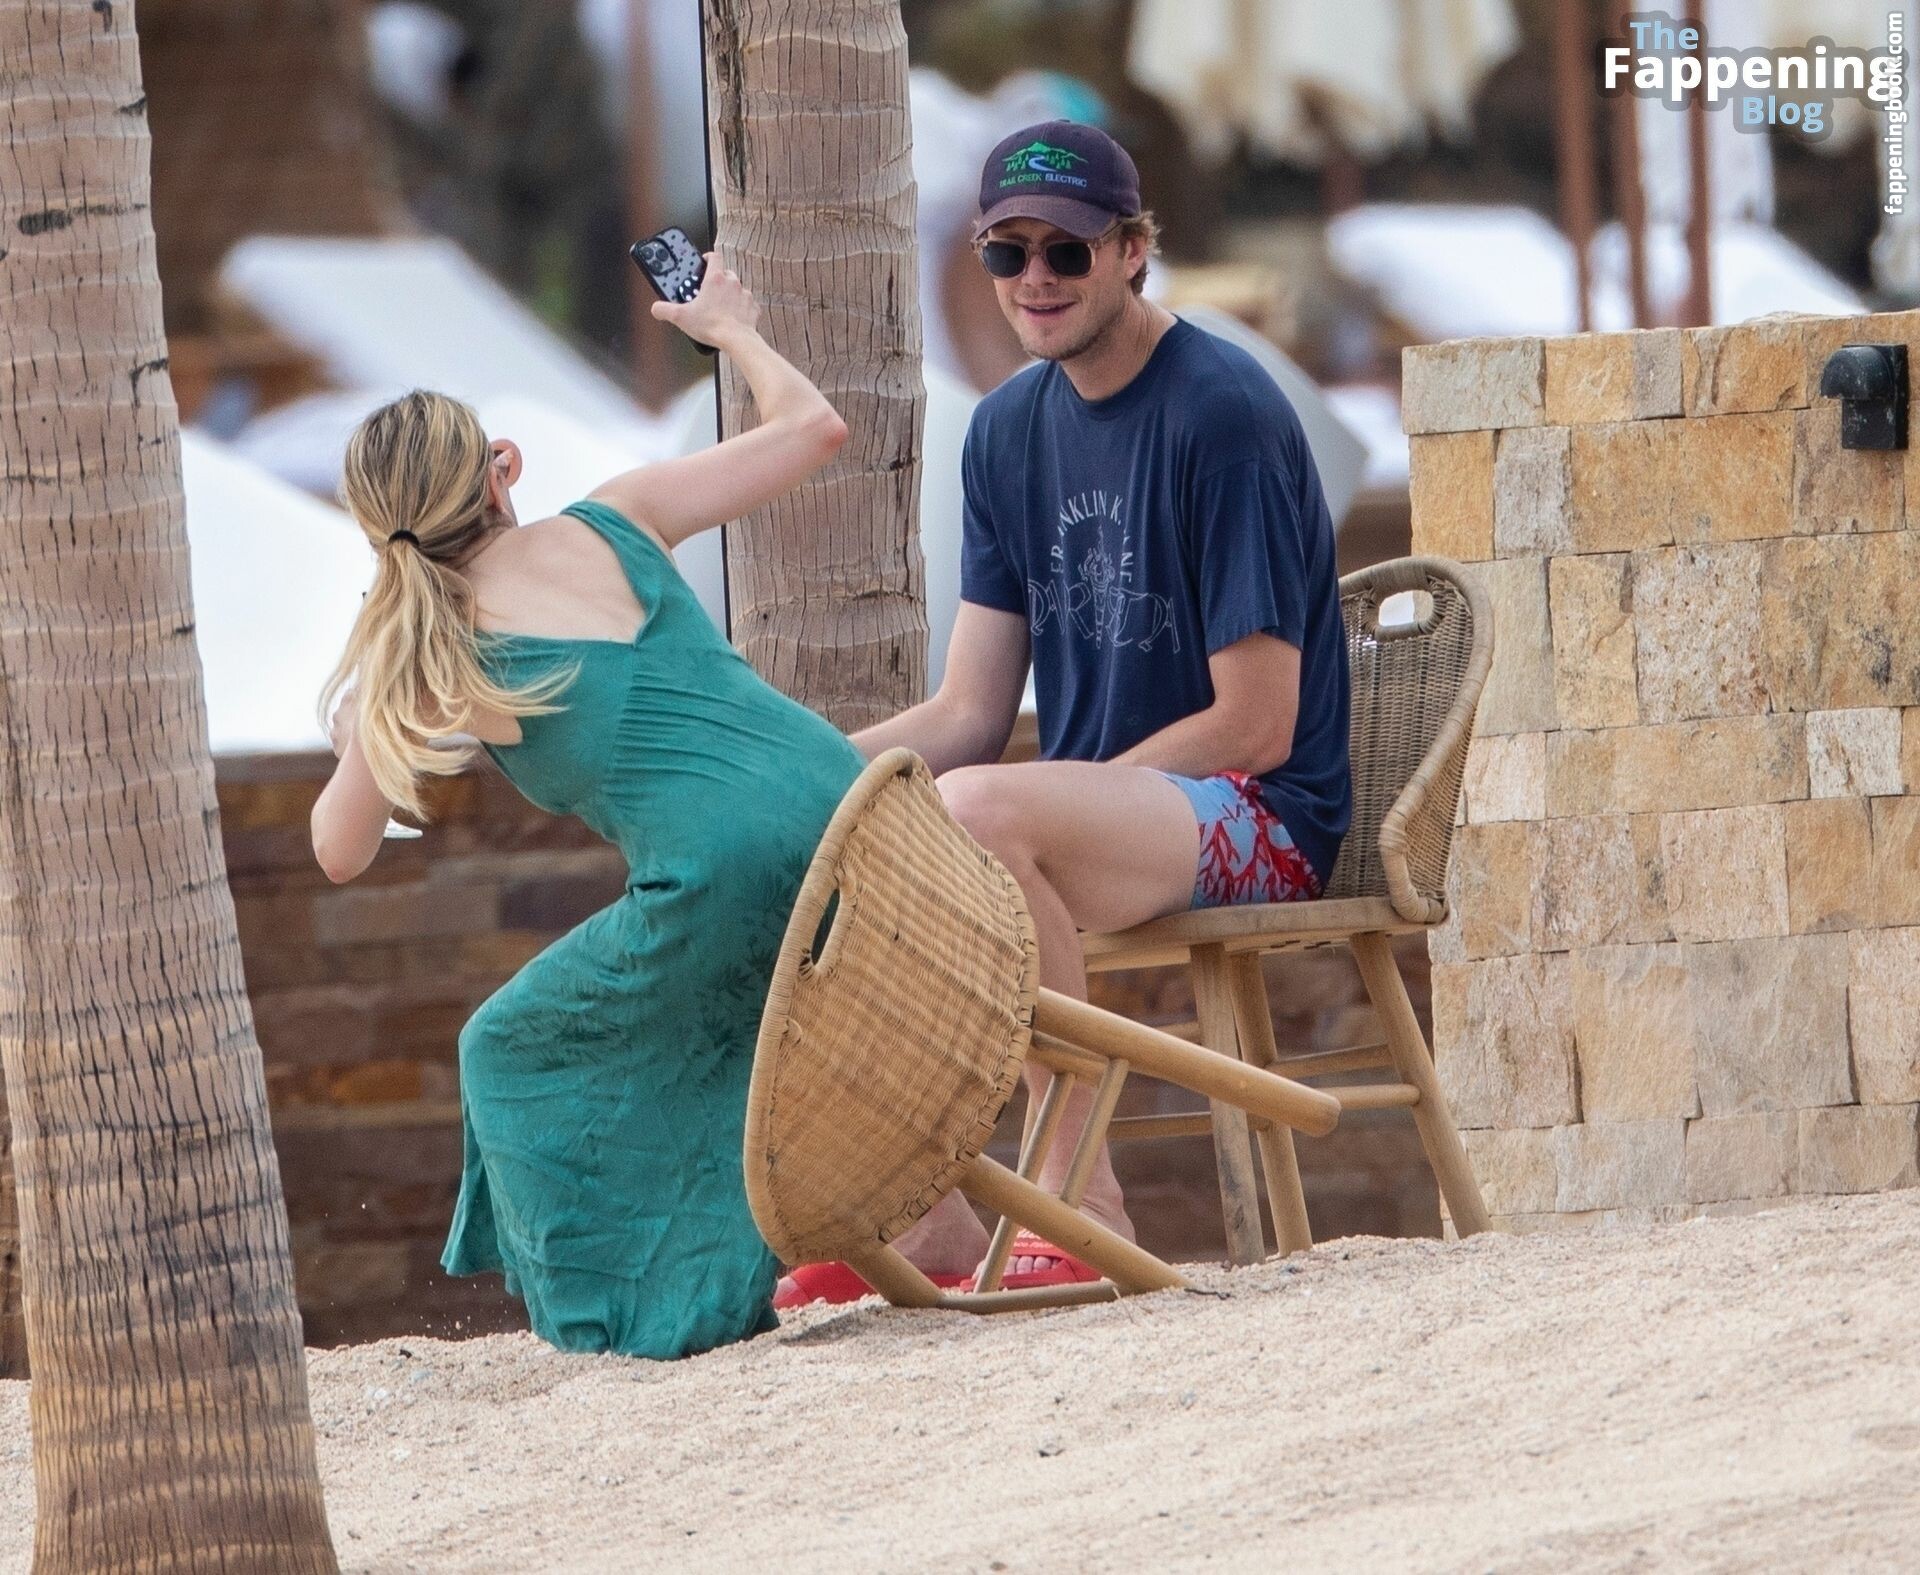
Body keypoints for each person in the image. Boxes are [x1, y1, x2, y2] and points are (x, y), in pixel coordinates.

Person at [779, 121, 1352, 1304]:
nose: (1034, 279)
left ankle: (1081, 1201)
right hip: (1098, 815)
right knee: (859, 822)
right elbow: (969, 712)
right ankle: (927, 1218)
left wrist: (1070, 796)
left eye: (1067, 252)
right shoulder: (1004, 432)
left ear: (1134, 251)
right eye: (1008, 253)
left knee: (978, 814)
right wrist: (794, 768)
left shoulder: (1224, 413)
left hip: (1261, 817)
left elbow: (1257, 724)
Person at [310, 260, 866, 1358]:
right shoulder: (619, 515)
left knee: (505, 1050)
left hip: (727, 878)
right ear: (503, 468)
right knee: (684, 1015)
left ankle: (608, 1323)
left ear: (376, 534)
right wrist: (731, 331)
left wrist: (360, 736)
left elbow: (337, 851)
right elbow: (815, 430)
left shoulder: (432, 657)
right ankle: (754, 1247)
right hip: (850, 798)